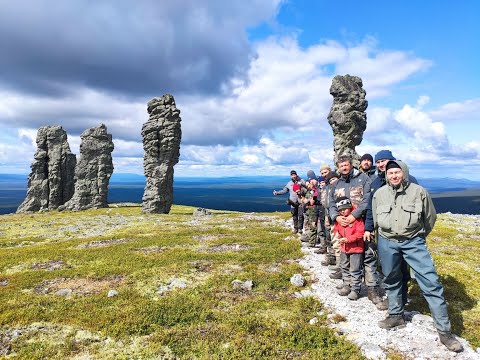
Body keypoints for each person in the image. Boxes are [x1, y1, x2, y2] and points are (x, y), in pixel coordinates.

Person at [372, 160, 463, 353]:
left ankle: (445, 333)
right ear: (386, 176)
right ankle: (396, 315)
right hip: (387, 242)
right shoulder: (379, 194)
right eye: (390, 173)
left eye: (397, 172)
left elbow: (430, 218)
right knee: (392, 279)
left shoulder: (419, 191)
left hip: (414, 242)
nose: (394, 176)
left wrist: (418, 237)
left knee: (431, 282)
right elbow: (376, 219)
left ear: (404, 173)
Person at [328, 155, 385, 308]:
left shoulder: (363, 179)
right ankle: (349, 285)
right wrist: (336, 218)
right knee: (346, 257)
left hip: (362, 223)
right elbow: (331, 203)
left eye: (346, 165)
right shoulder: (337, 184)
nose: (344, 168)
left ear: (351, 164)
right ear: (338, 168)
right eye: (341, 166)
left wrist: (354, 215)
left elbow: (367, 199)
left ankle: (372, 289)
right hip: (343, 225)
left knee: (368, 257)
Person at [364, 150, 418, 307]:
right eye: (378, 162)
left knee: (402, 265)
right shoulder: (375, 183)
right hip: (383, 233)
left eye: (384, 161)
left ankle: (402, 297)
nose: (381, 164)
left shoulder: (409, 179)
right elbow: (370, 208)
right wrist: (368, 228)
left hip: (406, 233)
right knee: (388, 266)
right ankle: (394, 298)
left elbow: (420, 205)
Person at [333, 196, 365, 300]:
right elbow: (337, 228)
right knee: (344, 267)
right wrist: (337, 233)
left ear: (350, 207)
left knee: (355, 269)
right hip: (344, 248)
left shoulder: (356, 218)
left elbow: (360, 233)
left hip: (355, 249)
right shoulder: (340, 219)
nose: (343, 212)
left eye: (344, 209)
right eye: (340, 210)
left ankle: (355, 289)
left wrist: (348, 239)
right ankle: (347, 285)